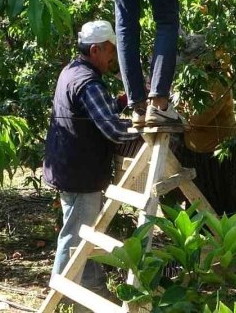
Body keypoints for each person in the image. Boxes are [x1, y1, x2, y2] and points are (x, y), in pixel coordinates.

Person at [43, 20, 140, 297]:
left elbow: (99, 111)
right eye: (110, 51)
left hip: (71, 169)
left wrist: (123, 102)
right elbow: (112, 130)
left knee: (86, 234)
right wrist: (147, 129)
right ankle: (58, 298)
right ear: (95, 50)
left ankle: (89, 289)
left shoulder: (72, 70)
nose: (113, 58)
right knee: (75, 237)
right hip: (79, 174)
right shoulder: (87, 82)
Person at [173, 34, 236, 217]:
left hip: (221, 153)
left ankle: (233, 245)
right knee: (199, 206)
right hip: (198, 153)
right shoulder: (189, 83)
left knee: (227, 207)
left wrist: (181, 118)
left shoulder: (217, 82)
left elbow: (199, 119)